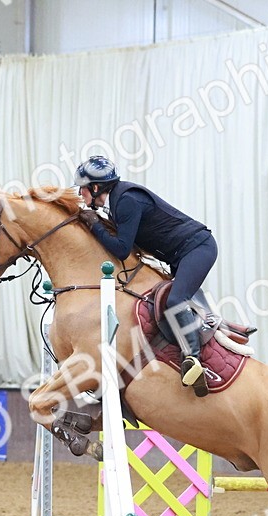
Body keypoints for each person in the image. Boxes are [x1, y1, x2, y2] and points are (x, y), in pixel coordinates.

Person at [74, 155, 216, 397]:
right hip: (182, 255)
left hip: (198, 248)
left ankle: (193, 359)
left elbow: (121, 249)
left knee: (175, 300)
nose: (80, 193)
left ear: (95, 188)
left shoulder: (126, 201)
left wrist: (94, 225)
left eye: (82, 188)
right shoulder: (119, 201)